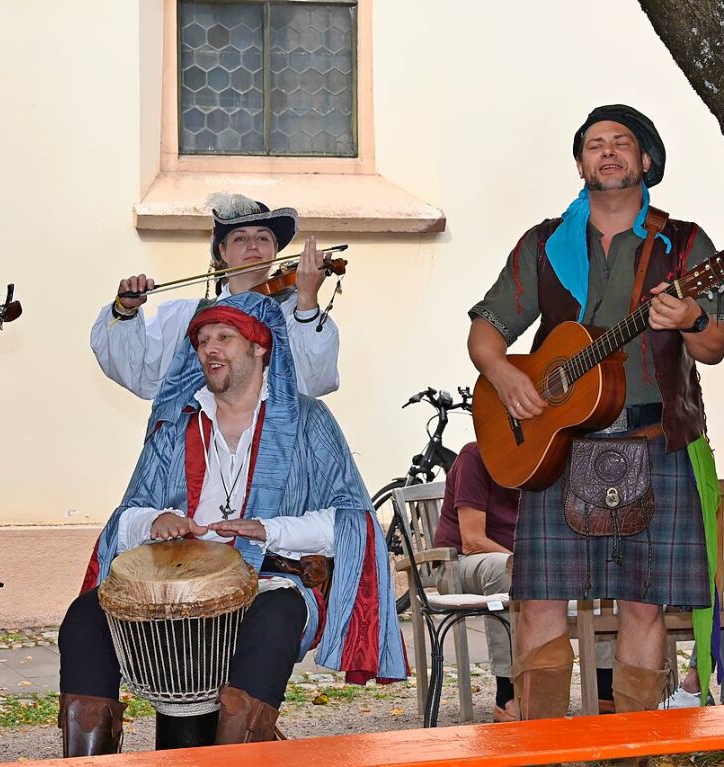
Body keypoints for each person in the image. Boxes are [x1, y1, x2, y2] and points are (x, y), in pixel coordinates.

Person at [467, 104, 724, 725]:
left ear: (646, 161)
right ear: (581, 162)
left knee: (644, 605)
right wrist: (505, 378)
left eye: (621, 143)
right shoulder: (545, 244)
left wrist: (690, 319)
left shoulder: (686, 245)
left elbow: (714, 348)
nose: (606, 152)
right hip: (558, 444)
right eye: (593, 144)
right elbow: (486, 332)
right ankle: (542, 746)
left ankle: (637, 746)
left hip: (654, 438)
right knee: (539, 602)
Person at [61, 292, 404, 756]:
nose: (210, 350)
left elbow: (354, 521)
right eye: (202, 341)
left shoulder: (307, 421)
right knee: (84, 618)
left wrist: (269, 529)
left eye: (224, 337)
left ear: (259, 347)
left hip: (275, 582)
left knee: (275, 620)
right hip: (175, 589)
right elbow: (125, 518)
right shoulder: (177, 423)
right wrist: (154, 520)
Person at [90, 193, 340, 399]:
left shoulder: (291, 316)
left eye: (263, 238)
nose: (253, 245)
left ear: (275, 250)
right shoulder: (187, 317)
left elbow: (312, 383)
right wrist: (124, 310)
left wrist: (307, 300)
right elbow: (138, 374)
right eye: (240, 238)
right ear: (222, 251)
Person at [433, 442, 617, 721]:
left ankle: (605, 689)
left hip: (523, 564)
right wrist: (531, 565)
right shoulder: (476, 456)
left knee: (602, 568)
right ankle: (507, 694)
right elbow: (472, 540)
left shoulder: (547, 459)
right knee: (506, 569)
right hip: (459, 563)